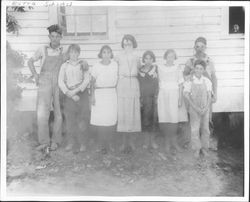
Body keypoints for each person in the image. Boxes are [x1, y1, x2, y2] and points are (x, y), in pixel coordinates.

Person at [28, 24, 68, 152]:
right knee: (42, 113)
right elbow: (30, 61)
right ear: (49, 36)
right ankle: (44, 142)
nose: (55, 39)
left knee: (58, 112)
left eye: (57, 36)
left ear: (61, 37)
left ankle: (55, 141)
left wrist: (82, 63)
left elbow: (72, 62)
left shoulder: (64, 51)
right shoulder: (42, 49)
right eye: (52, 36)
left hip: (58, 83)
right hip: (44, 82)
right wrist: (35, 75)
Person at [184, 36, 218, 149]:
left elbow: (213, 78)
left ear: (205, 47)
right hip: (193, 95)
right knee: (194, 123)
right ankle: (195, 147)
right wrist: (192, 74)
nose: (200, 49)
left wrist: (215, 93)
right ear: (194, 47)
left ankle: (205, 147)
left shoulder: (209, 60)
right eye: (197, 46)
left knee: (206, 123)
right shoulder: (190, 61)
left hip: (207, 94)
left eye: (202, 46)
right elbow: (185, 76)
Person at [58, 44, 90, 153]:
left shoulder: (83, 64)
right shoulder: (64, 66)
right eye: (71, 52)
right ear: (69, 54)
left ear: (79, 53)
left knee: (82, 120)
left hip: (81, 93)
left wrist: (76, 92)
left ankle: (83, 143)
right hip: (69, 94)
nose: (74, 54)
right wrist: (69, 93)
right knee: (70, 120)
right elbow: (60, 81)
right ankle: (71, 142)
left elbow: (86, 80)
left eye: (76, 52)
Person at [157, 49, 188, 155]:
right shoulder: (160, 68)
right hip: (163, 95)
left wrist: (180, 98)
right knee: (165, 118)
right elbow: (157, 82)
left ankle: (174, 142)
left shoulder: (177, 68)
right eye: (169, 56)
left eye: (172, 57)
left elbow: (180, 84)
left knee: (174, 119)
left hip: (174, 95)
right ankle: (167, 143)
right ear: (165, 57)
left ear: (175, 58)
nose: (170, 58)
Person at [90, 45, 118, 154]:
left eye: (108, 52)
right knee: (101, 120)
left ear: (111, 54)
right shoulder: (97, 66)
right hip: (100, 94)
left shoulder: (115, 65)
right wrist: (92, 96)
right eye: (104, 52)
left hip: (111, 94)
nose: (106, 55)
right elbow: (92, 82)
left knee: (110, 119)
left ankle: (110, 143)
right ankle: (102, 144)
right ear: (101, 54)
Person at [116, 34, 141, 153]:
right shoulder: (118, 57)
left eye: (129, 44)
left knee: (132, 112)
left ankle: (131, 141)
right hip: (123, 83)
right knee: (123, 113)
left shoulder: (137, 57)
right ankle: (123, 141)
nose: (127, 46)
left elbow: (140, 70)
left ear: (133, 44)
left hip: (134, 83)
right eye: (125, 44)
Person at [183, 60, 212, 158]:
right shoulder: (190, 81)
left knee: (205, 129)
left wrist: (206, 108)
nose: (198, 70)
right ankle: (196, 149)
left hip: (205, 108)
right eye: (197, 68)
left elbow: (209, 96)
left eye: (201, 69)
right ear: (194, 69)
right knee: (194, 129)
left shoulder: (207, 81)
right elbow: (186, 95)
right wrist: (195, 107)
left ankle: (204, 148)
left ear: (203, 70)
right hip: (194, 108)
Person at [138, 50, 158, 150]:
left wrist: (157, 97)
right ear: (143, 59)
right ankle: (146, 141)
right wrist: (139, 99)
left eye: (150, 58)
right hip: (143, 99)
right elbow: (138, 86)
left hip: (153, 98)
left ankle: (152, 141)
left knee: (153, 120)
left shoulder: (155, 69)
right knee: (145, 120)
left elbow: (158, 84)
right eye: (146, 58)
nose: (148, 60)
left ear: (153, 59)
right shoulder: (140, 71)